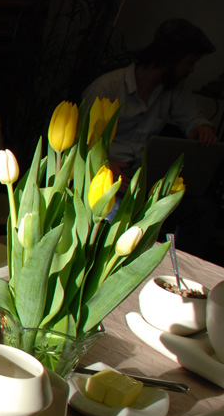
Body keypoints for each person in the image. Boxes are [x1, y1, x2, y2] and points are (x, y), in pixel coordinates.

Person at [81, 18, 219, 258]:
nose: (191, 70)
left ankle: (180, 270)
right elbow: (81, 141)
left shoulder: (173, 89)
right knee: (120, 213)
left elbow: (192, 119)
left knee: (202, 210)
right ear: (171, 58)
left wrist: (202, 127)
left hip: (146, 180)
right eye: (189, 62)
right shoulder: (107, 88)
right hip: (111, 181)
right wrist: (104, 164)